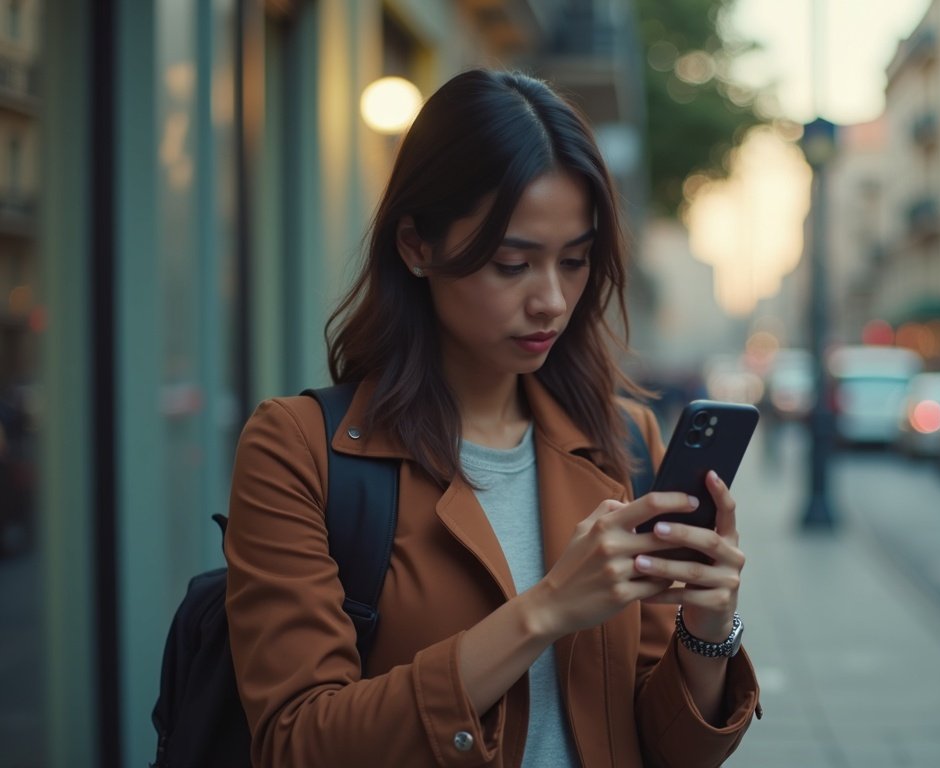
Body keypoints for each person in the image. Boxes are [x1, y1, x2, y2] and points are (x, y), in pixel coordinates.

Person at [223, 68, 760, 767]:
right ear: (417, 246)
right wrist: (545, 611)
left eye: (574, 261)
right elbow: (298, 743)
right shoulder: (297, 449)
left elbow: (669, 750)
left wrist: (707, 630)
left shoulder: (620, 442)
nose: (552, 301)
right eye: (513, 264)